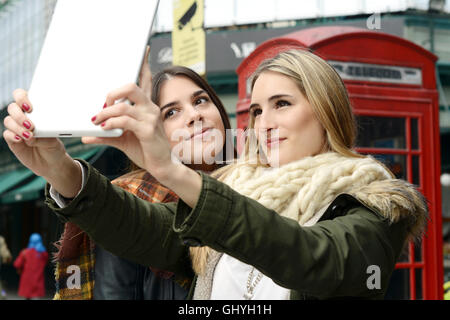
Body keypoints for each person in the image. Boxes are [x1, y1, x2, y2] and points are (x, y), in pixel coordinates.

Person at [4, 49, 428, 299]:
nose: (264, 122)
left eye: (282, 104)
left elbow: (311, 257)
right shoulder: (234, 188)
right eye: (258, 110)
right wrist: (58, 167)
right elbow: (146, 228)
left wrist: (169, 169)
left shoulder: (376, 205)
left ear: (326, 110)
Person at [51, 51, 235, 299]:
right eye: (171, 112)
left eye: (201, 101)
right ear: (151, 131)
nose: (194, 116)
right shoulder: (132, 202)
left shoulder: (256, 187)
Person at [13, 233, 48, 299]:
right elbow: (45, 263)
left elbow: (17, 264)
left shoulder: (25, 252)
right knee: (36, 297)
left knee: (27, 297)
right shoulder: (44, 254)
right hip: (38, 281)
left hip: (27, 282)